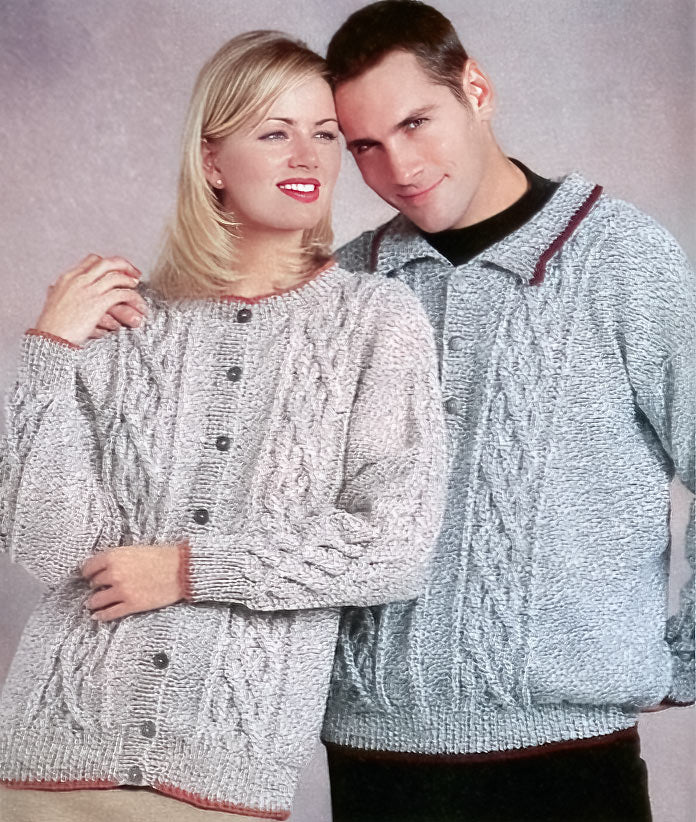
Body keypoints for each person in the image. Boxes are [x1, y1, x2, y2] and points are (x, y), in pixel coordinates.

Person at [0, 30, 447, 821]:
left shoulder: (377, 318)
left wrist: (189, 569)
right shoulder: (125, 319)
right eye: (274, 133)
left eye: (325, 135)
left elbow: (394, 547)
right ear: (212, 160)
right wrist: (48, 355)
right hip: (43, 766)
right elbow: (49, 547)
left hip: (219, 780)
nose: (306, 156)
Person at [319, 2, 695, 821]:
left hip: (569, 755)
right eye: (365, 145)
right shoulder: (344, 287)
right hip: (371, 753)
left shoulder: (623, 258)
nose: (399, 166)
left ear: (477, 91)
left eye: (416, 122)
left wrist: (689, 654)